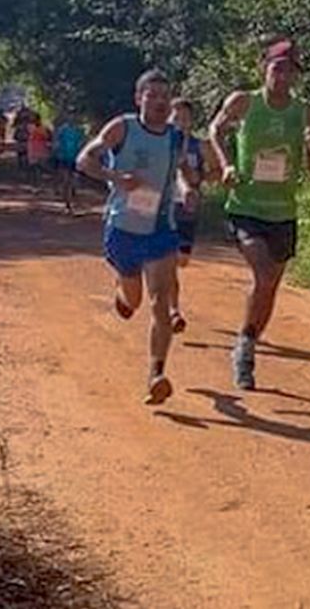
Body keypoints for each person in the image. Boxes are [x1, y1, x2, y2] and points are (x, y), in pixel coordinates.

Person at [75, 69, 198, 406]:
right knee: (135, 300)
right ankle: (123, 291)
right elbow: (84, 159)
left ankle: (156, 374)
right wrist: (115, 176)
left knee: (161, 302)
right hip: (123, 229)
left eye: (165, 96)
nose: (160, 101)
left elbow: (183, 171)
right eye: (152, 95)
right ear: (139, 98)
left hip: (160, 230)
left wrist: (189, 190)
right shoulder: (122, 128)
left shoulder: (176, 136)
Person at [209, 37, 310, 390]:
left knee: (271, 284)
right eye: (277, 68)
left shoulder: (305, 112)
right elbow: (214, 128)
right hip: (246, 206)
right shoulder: (244, 102)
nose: (283, 76)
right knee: (262, 273)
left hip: (283, 211)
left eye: (290, 70)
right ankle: (244, 348)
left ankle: (249, 339)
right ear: (265, 68)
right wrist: (226, 165)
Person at [166, 97, 213, 333]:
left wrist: (199, 179)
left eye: (185, 118)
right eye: (175, 117)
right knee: (169, 261)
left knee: (182, 260)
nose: (180, 122)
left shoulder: (200, 146)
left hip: (188, 210)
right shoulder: (159, 143)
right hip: (163, 208)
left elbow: (214, 171)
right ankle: (173, 310)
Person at [53, 115, 86, 213]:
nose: (72, 118)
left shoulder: (79, 130)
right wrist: (56, 151)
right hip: (64, 157)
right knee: (66, 180)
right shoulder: (62, 130)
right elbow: (57, 142)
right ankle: (67, 204)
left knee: (74, 180)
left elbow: (82, 142)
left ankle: (72, 198)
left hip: (75, 158)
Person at [27, 114, 52, 188]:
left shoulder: (43, 128)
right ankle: (35, 184)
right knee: (33, 168)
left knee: (40, 168)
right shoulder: (30, 127)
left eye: (35, 119)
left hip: (41, 150)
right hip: (32, 150)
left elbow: (48, 136)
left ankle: (39, 183)